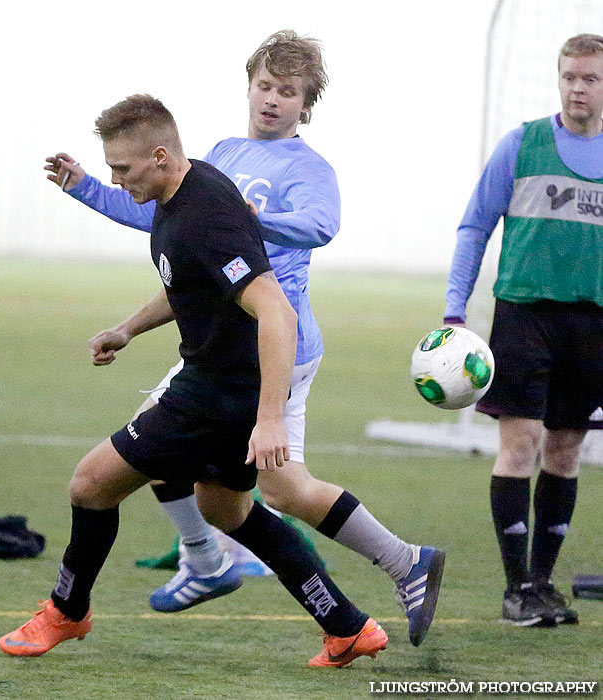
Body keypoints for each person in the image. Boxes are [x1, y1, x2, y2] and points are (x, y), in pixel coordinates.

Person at [44, 30, 444, 647]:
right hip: (225, 346)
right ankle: (388, 566)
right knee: (264, 486)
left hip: (270, 344)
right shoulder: (224, 153)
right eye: (265, 86)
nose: (273, 100)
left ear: (306, 105)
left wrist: (259, 221)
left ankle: (207, 561)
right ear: (249, 88)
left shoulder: (308, 168)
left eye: (289, 92)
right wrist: (86, 188)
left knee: (156, 454)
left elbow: (322, 226)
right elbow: (164, 217)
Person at [0, 94, 390, 666]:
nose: (118, 180)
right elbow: (189, 283)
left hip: (215, 393)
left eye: (123, 170)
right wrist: (129, 328)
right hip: (228, 388)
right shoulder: (189, 187)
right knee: (227, 511)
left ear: (159, 156)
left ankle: (66, 611)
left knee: (90, 484)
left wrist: (270, 419)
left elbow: (276, 311)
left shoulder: (205, 217)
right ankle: (347, 626)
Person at [445, 33, 603, 627]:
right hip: (524, 316)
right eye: (569, 76)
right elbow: (475, 226)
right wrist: (454, 308)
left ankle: (543, 583)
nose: (577, 87)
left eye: (589, 78)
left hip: (592, 323)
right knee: (520, 444)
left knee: (565, 450)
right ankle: (516, 590)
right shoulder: (523, 143)